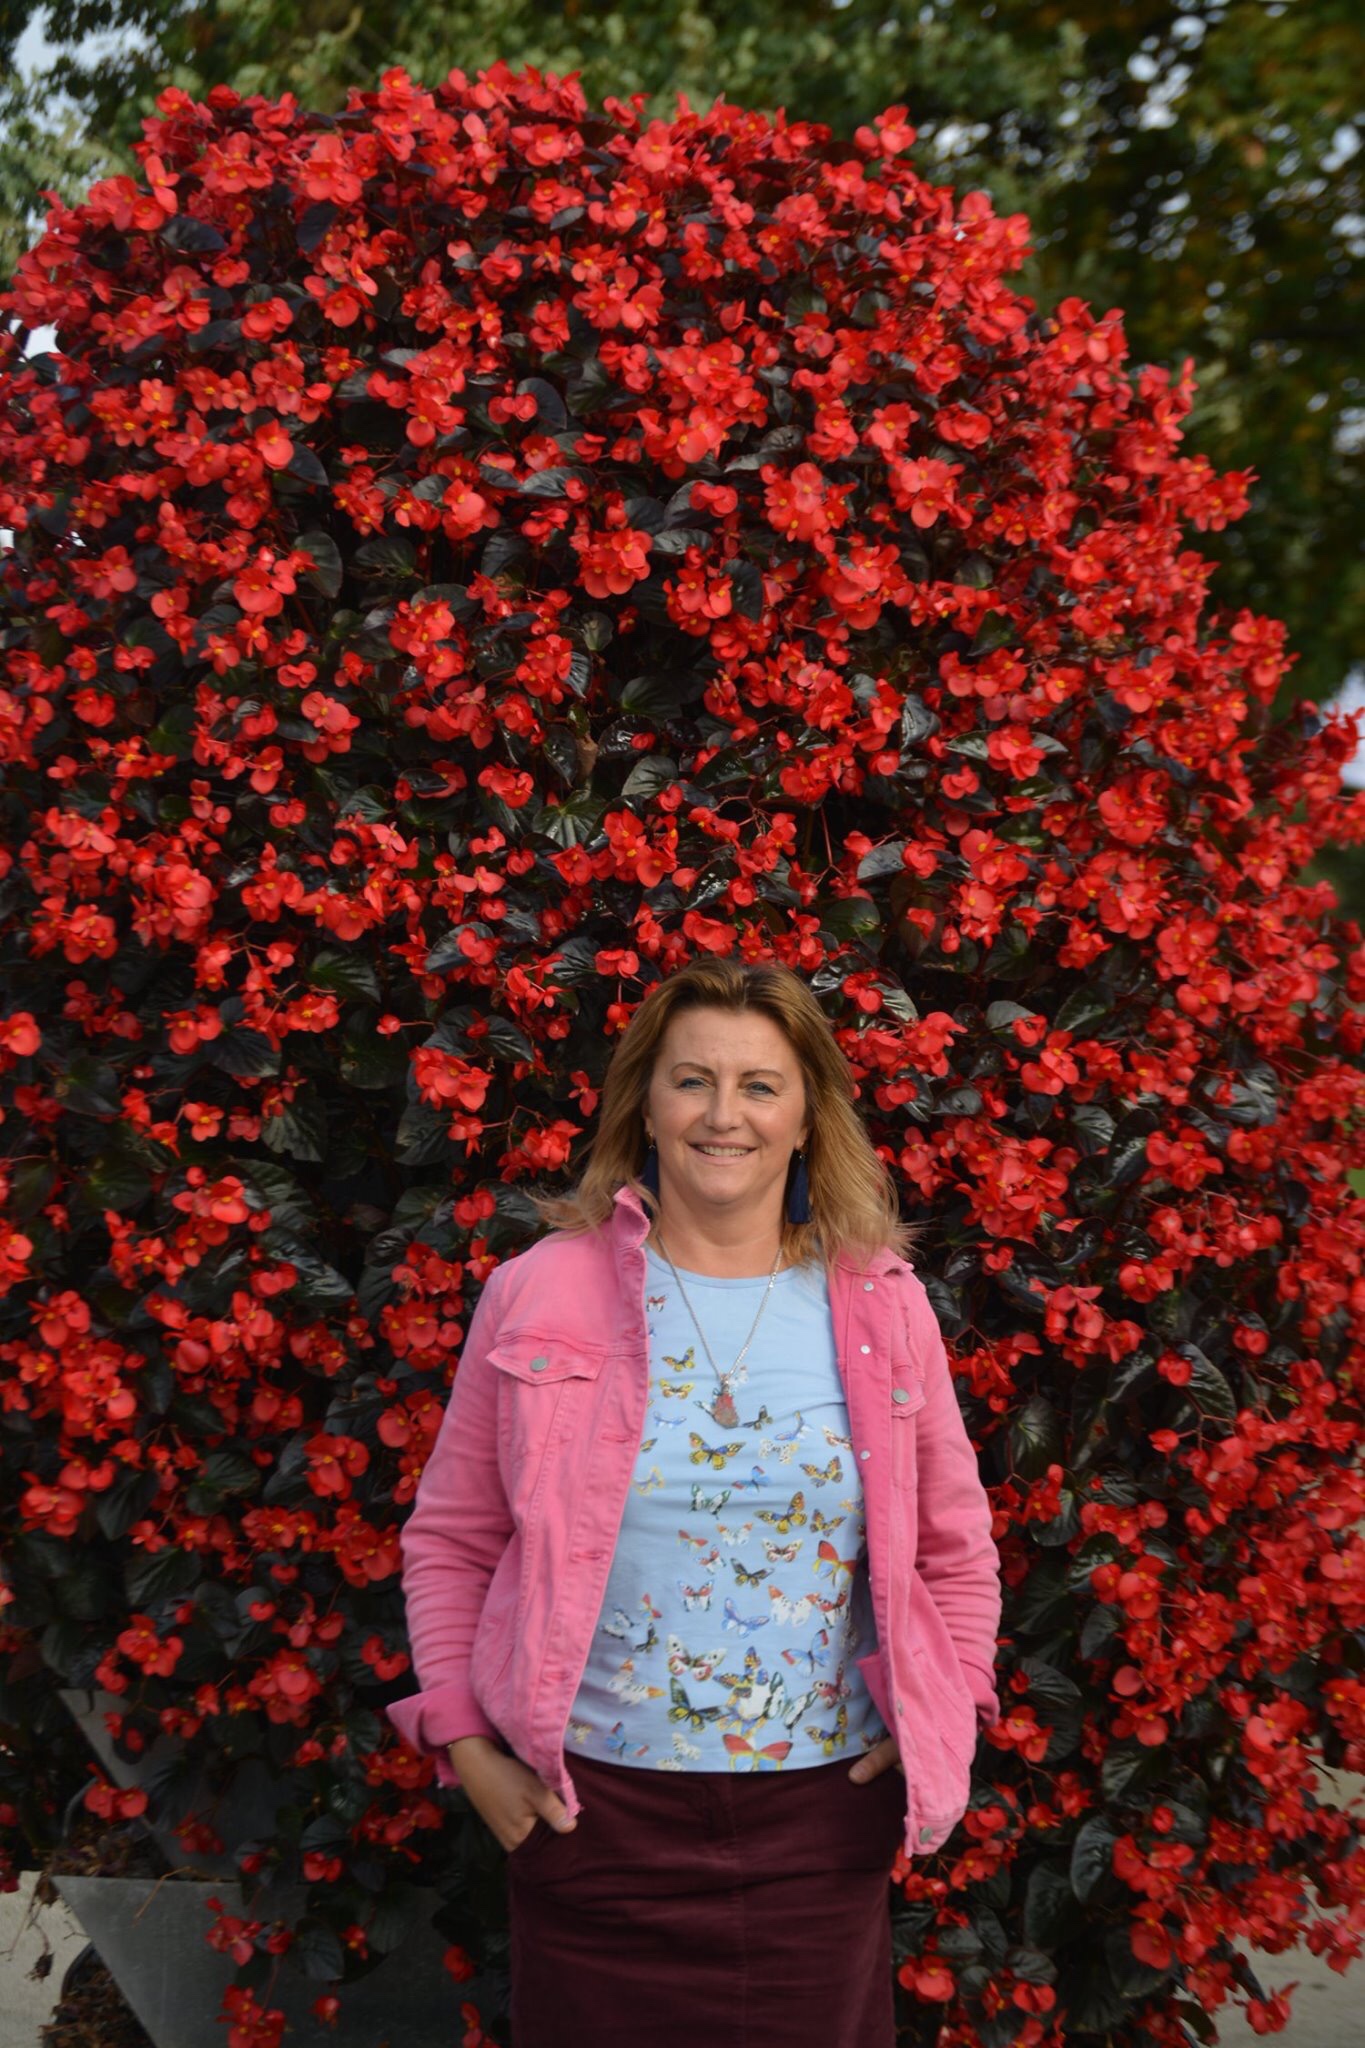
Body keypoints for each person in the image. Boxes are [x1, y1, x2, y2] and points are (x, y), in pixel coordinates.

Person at [387, 957, 1002, 2047]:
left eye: (760, 1085)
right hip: (593, 1820)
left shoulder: (882, 1306)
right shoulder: (538, 1291)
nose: (725, 1115)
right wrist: (467, 1745)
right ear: (645, 1105)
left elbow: (952, 1546)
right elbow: (454, 1537)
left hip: (817, 1824)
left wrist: (943, 1712)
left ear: (806, 1118)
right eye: (692, 1081)